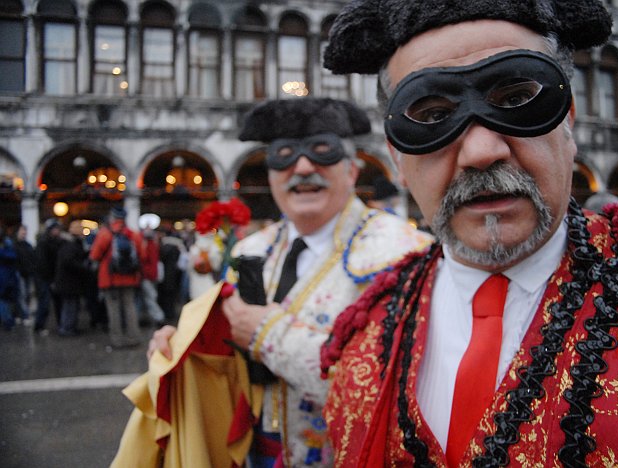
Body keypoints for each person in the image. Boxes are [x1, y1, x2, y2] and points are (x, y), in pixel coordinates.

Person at [319, 1, 618, 466]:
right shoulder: (363, 337)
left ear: (569, 120)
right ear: (396, 157)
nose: (481, 150)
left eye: (518, 100)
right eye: (433, 113)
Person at [111, 97, 432, 467]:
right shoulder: (253, 249)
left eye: (323, 152)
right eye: (284, 155)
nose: (303, 166)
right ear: (271, 176)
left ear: (352, 172)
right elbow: (231, 357)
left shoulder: (404, 254)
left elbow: (402, 389)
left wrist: (270, 334)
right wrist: (185, 350)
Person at [89, 207, 143, 348]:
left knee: (114, 310)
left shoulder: (105, 234)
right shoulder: (133, 234)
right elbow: (141, 255)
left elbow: (94, 255)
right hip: (130, 278)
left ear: (112, 217)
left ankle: (117, 340)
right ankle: (133, 337)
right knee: (130, 307)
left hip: (110, 279)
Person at [54, 219, 90, 336]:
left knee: (70, 305)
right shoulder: (70, 245)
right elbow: (70, 262)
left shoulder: (68, 244)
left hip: (68, 282)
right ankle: (67, 328)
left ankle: (68, 327)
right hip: (69, 283)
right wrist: (83, 267)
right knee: (70, 306)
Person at [33, 218, 64, 334]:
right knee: (44, 302)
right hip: (44, 278)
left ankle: (61, 323)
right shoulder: (44, 242)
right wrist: (50, 278)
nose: (58, 231)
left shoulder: (56, 242)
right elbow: (43, 263)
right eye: (56, 229)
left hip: (52, 277)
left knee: (57, 302)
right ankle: (39, 326)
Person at [138, 215, 165, 327]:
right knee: (150, 296)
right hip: (149, 274)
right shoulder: (151, 242)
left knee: (150, 297)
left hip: (149, 274)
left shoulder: (150, 243)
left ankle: (158, 317)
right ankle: (156, 317)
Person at [13, 224, 37, 326]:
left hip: (28, 273)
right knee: (22, 295)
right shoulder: (14, 245)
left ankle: (20, 314)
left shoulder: (27, 245)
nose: (24, 233)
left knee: (25, 295)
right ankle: (24, 315)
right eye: (22, 231)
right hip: (19, 273)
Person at [0, 224, 18, 330]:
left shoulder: (7, 245)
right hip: (5, 278)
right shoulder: (6, 247)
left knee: (5, 300)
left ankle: (8, 320)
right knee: (3, 301)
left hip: (7, 278)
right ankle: (8, 321)